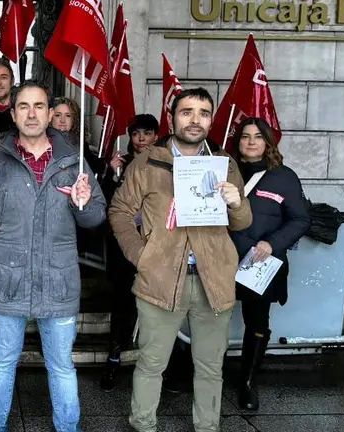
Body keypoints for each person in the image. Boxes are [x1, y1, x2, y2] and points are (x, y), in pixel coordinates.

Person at [0, 81, 107, 432]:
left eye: (39, 106)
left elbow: (96, 219)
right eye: (24, 106)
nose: (32, 113)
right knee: (2, 363)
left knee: (61, 366)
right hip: (6, 282)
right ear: (12, 114)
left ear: (49, 113)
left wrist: (84, 201)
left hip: (58, 282)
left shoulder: (73, 163)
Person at [109, 87, 252, 432]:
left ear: (212, 120)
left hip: (212, 280)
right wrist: (142, 255)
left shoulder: (225, 165)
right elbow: (120, 212)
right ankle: (143, 425)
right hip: (159, 278)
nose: (195, 119)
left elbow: (243, 222)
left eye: (203, 113)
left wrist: (237, 202)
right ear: (172, 117)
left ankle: (207, 427)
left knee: (210, 367)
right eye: (187, 112)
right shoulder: (147, 162)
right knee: (151, 363)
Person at [229, 117, 310, 411]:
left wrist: (271, 244)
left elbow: (301, 219)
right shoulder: (225, 170)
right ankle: (198, 375)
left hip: (260, 264)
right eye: (245, 136)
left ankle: (248, 384)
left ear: (267, 142)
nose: (251, 142)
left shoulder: (284, 177)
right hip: (223, 259)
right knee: (209, 318)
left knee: (257, 322)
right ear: (237, 141)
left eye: (258, 137)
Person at [98, 114, 160, 392]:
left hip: (157, 245)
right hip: (125, 246)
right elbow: (107, 204)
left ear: (156, 136)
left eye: (147, 133)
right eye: (137, 134)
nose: (142, 139)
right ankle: (114, 359)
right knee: (121, 302)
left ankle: (152, 364)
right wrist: (111, 174)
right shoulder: (121, 163)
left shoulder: (166, 162)